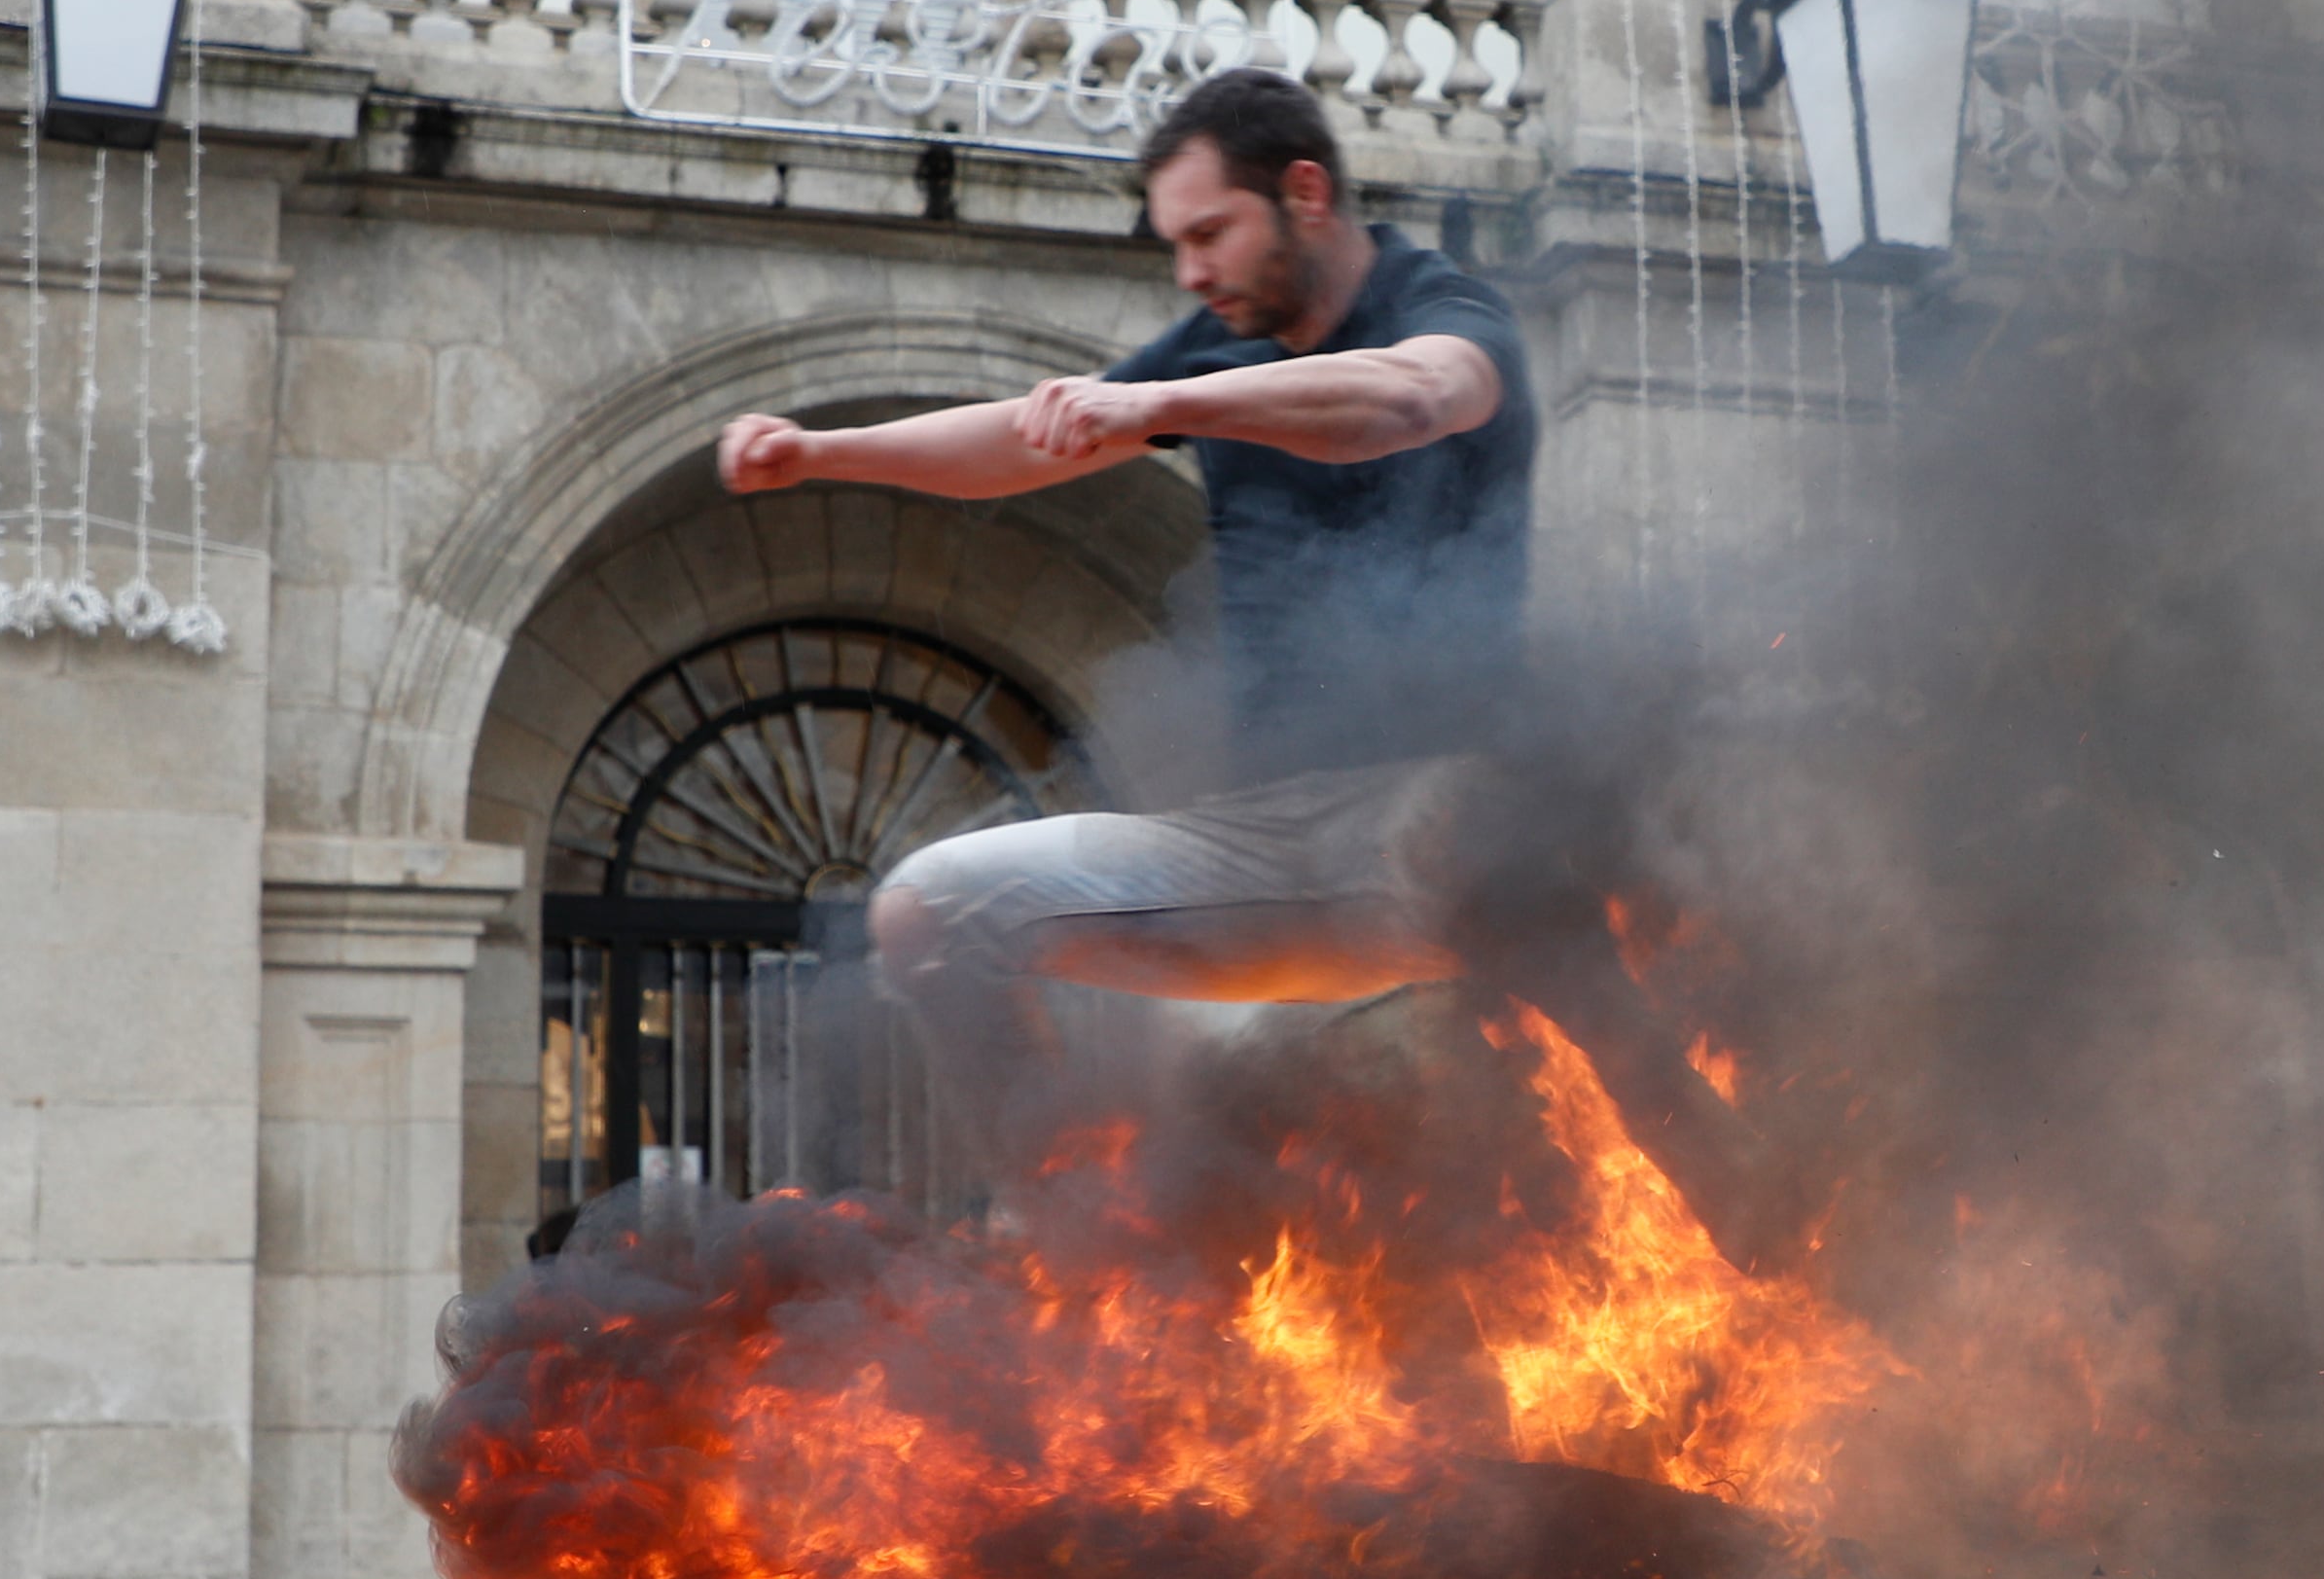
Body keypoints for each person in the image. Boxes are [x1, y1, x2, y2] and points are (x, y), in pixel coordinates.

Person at [717, 67, 1752, 1217]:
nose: (1192, 272)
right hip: (1254, 854)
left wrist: (1173, 405)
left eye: (1210, 233)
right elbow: (1021, 441)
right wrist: (819, 452)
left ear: (1303, 193)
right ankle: (1088, 1250)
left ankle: (1731, 1182)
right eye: (1175, 245)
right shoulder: (1211, 342)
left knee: (1473, 839)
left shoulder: (1444, 309)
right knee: (927, 907)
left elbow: (1411, 399)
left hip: (1438, 819)